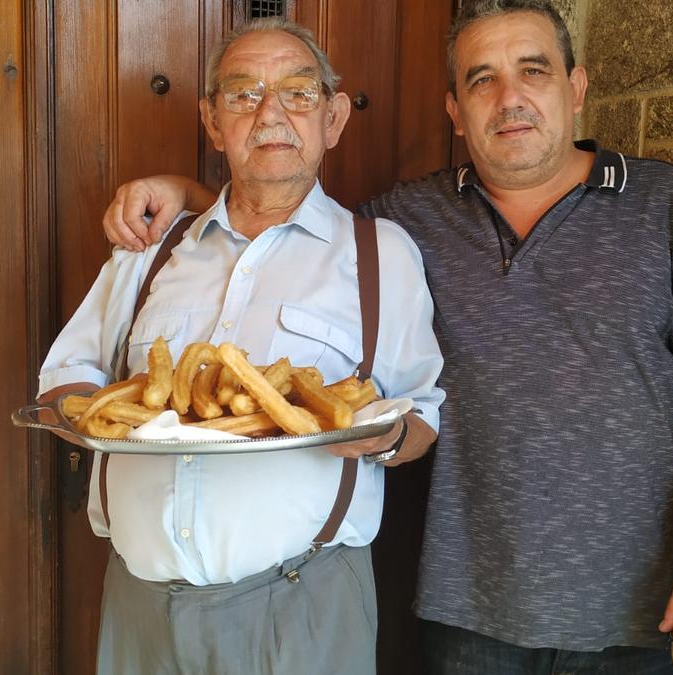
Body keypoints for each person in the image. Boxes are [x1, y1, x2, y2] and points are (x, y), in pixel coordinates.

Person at [99, 1, 673, 673]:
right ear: (455, 109)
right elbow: (281, 220)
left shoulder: (662, 204)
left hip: (633, 611)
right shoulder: (407, 220)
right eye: (482, 79)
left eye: (533, 71)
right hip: (465, 616)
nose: (509, 98)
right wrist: (186, 195)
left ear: (575, 89)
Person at [39, 17, 444, 675]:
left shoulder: (381, 256)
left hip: (303, 607)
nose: (270, 113)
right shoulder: (150, 249)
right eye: (242, 94)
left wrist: (382, 438)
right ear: (211, 120)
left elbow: (421, 414)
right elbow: (66, 378)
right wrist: (97, 417)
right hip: (140, 607)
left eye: (299, 93)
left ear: (334, 118)